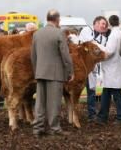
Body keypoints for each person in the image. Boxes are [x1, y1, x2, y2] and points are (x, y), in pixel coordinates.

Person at [31, 9, 74, 138]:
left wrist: (36, 71)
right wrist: (70, 71)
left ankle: (37, 128)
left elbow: (33, 55)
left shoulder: (37, 34)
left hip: (40, 72)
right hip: (55, 73)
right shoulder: (59, 33)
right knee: (54, 103)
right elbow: (65, 55)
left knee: (40, 102)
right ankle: (54, 128)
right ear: (57, 19)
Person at [96, 15, 121, 124]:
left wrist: (97, 46)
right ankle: (102, 116)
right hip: (115, 67)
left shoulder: (114, 34)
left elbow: (109, 51)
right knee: (107, 92)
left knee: (116, 93)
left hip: (112, 68)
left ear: (109, 24)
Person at [78, 16, 109, 121]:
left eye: (105, 24)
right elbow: (88, 44)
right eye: (102, 23)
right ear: (95, 23)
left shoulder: (103, 38)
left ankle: (91, 114)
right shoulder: (86, 30)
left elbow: (99, 51)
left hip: (92, 68)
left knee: (91, 91)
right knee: (76, 90)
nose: (104, 26)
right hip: (81, 67)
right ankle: (75, 113)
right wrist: (99, 48)